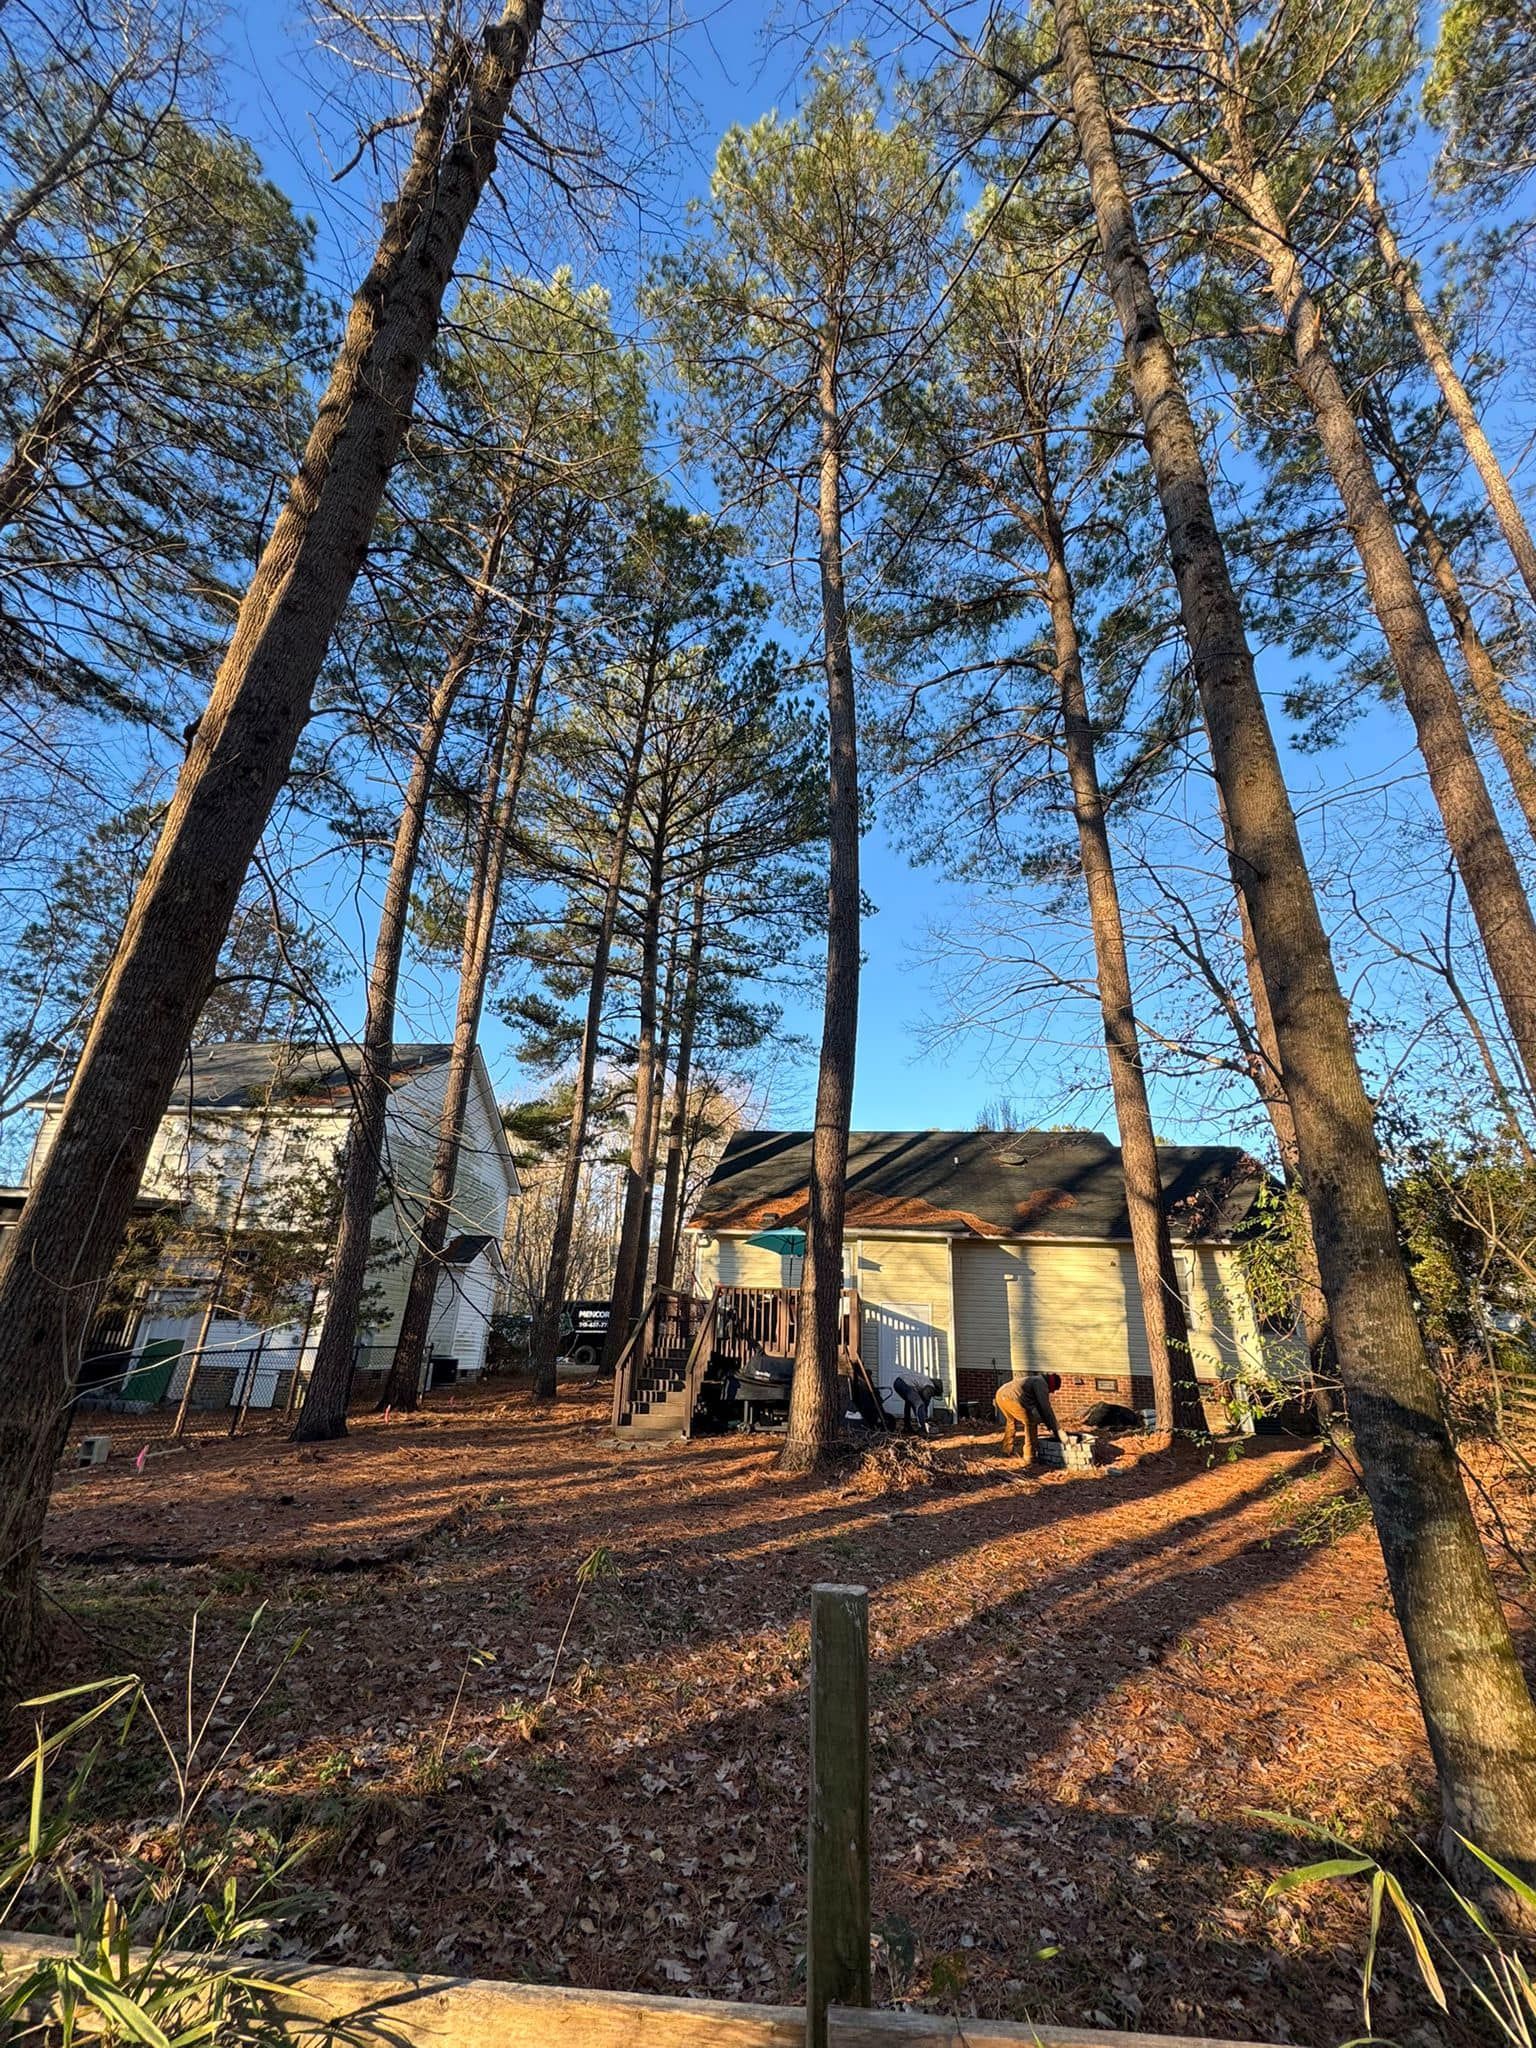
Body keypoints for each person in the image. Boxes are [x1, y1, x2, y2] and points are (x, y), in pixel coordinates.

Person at [994, 1367, 1062, 1465]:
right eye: (1053, 1390)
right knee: (1031, 1422)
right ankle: (1029, 1456)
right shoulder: (1041, 1383)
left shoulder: (1035, 1379)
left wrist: (1048, 1423)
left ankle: (1006, 1450)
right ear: (1052, 1385)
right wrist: (1056, 1428)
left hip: (1000, 1395)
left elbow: (1037, 1406)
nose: (1052, 1392)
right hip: (1012, 1398)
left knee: (1011, 1422)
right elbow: (1045, 1407)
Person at [890, 1370, 942, 1436]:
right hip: (904, 1384)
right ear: (936, 1389)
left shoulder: (924, 1381)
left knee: (909, 1402)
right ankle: (922, 1430)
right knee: (920, 1404)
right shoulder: (930, 1386)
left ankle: (907, 1427)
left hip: (897, 1382)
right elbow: (923, 1403)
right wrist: (925, 1419)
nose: (932, 1395)